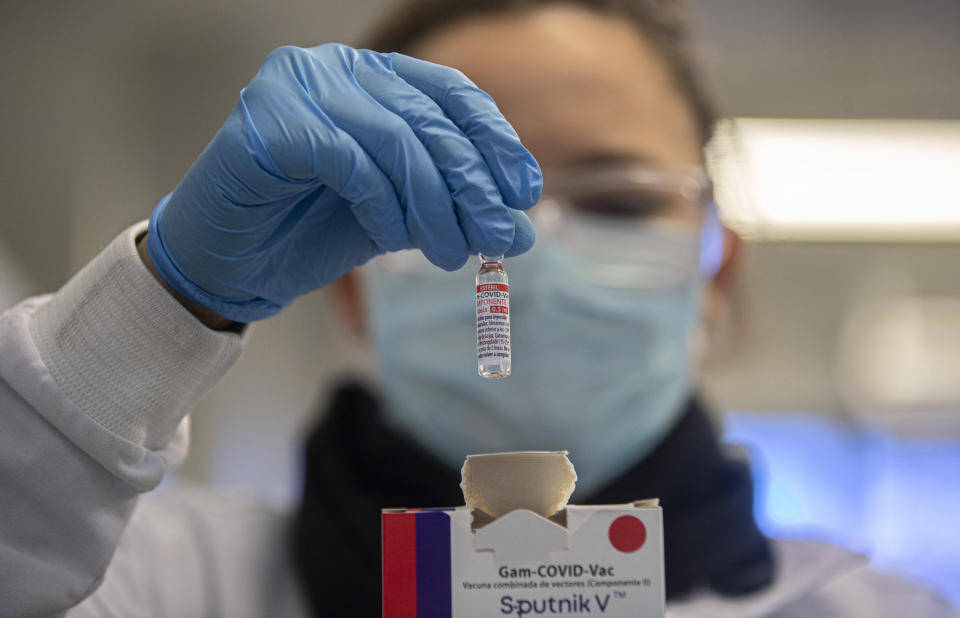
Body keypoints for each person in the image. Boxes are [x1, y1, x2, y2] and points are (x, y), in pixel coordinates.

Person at [0, 0, 954, 616]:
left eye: (619, 202)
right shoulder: (162, 584)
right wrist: (158, 304)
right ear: (350, 284)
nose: (530, 252)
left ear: (714, 271)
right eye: (442, 207)